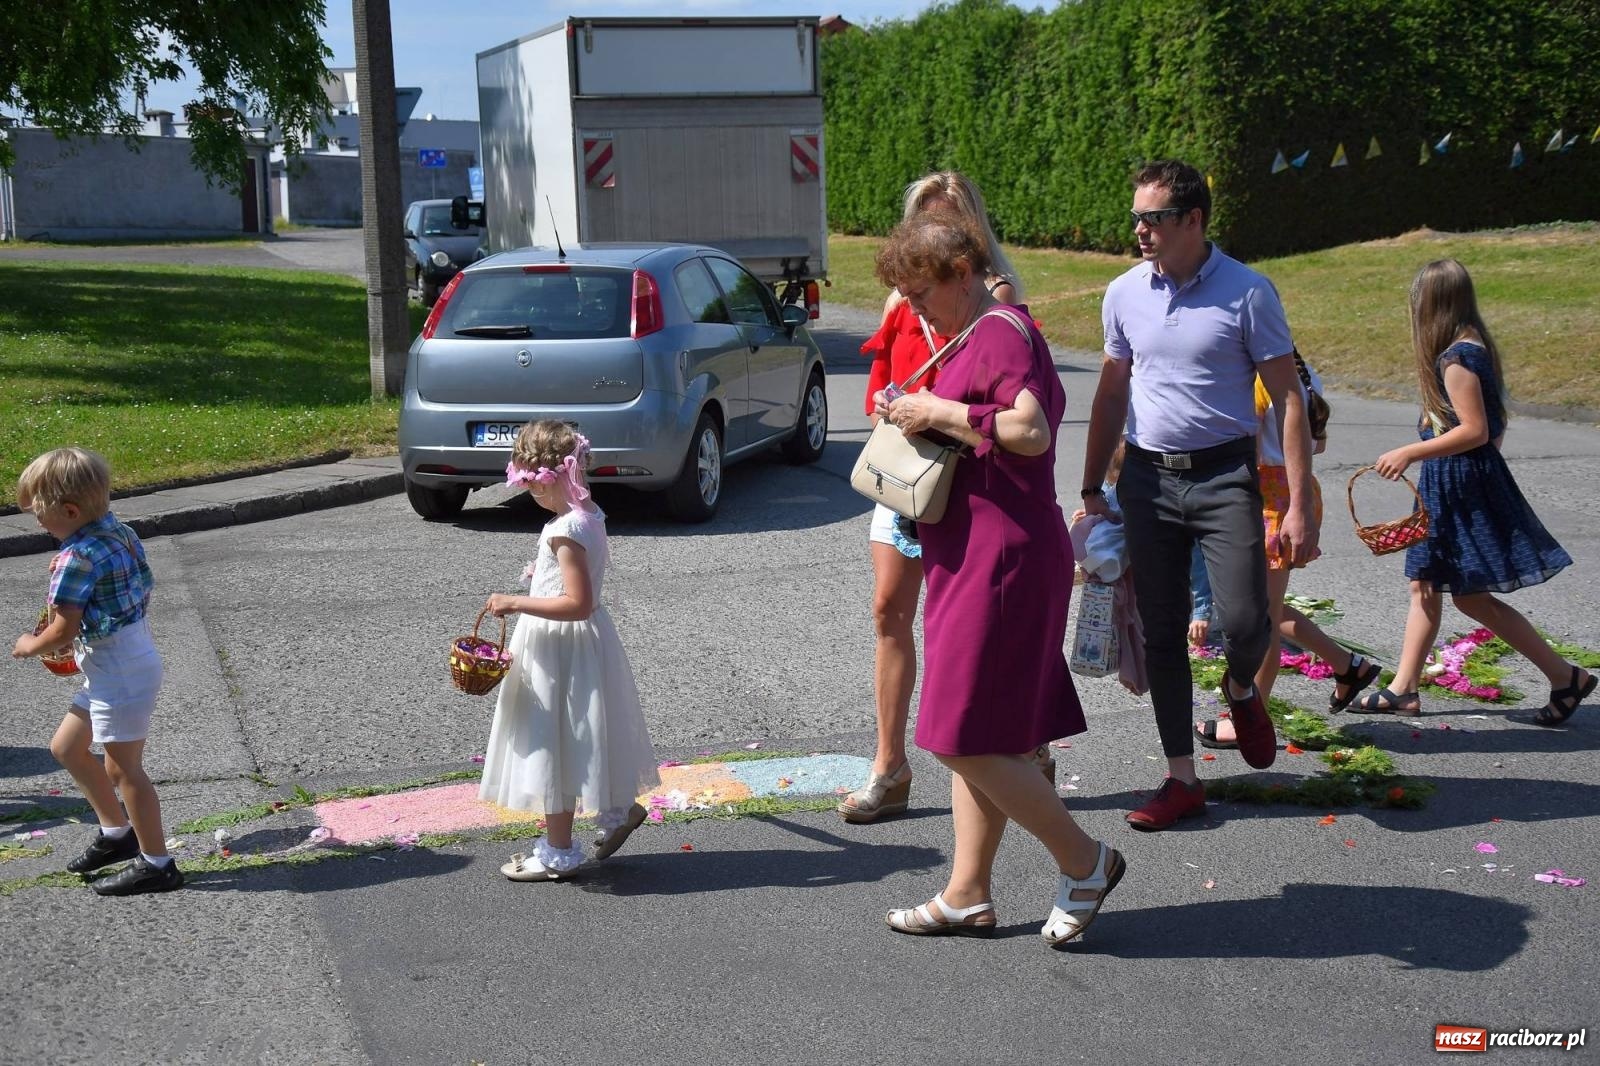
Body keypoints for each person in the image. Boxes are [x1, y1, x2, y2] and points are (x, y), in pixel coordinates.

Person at [875, 212, 1124, 946]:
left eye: (923, 293)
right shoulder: (975, 330)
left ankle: (1085, 861)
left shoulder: (998, 330)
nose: (915, 309)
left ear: (962, 273)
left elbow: (1029, 429)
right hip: (977, 551)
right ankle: (967, 894)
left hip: (1003, 558)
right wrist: (920, 412)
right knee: (985, 733)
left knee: (954, 735)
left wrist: (938, 409)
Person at [1081, 159, 1320, 832]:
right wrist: (1091, 485)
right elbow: (1110, 393)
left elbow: (1291, 399)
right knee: (1163, 632)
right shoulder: (1124, 293)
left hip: (1224, 476)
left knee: (1246, 621)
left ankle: (1241, 687)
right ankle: (1180, 776)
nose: (1139, 231)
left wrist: (1298, 504)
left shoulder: (1248, 292)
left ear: (1193, 220)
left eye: (1153, 218)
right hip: (1147, 479)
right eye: (1135, 217)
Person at [842, 170, 1037, 824]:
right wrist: (887, 400)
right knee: (887, 612)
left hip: (964, 478)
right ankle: (889, 766)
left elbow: (1016, 404)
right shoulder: (908, 297)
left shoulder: (999, 302)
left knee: (973, 632)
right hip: (904, 471)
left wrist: (940, 410)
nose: (933, 233)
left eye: (948, 222)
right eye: (922, 221)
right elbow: (883, 371)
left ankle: (1017, 754)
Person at [1352, 259, 1593, 723]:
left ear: (1431, 303)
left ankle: (1562, 676)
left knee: (1452, 589)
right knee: (1438, 586)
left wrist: (1411, 452)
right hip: (1462, 481)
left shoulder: (1456, 358)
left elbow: (1477, 430)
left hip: (1460, 484)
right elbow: (1494, 430)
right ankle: (1408, 687)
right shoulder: (1475, 346)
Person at [480, 421, 660, 880]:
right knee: (579, 735)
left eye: (535, 486)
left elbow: (577, 602)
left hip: (560, 646)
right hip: (579, 645)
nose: (531, 495)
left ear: (558, 476)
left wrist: (514, 600)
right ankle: (623, 809)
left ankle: (558, 851)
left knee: (552, 742)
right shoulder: (590, 514)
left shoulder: (565, 529)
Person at [11, 447, 181, 895]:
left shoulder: (75, 559)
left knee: (125, 771)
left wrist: (30, 646)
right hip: (124, 660)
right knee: (67, 747)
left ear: (69, 510)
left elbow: (60, 630)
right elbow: (132, 583)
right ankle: (116, 833)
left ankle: (157, 863)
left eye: (40, 516)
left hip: (119, 672)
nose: (38, 525)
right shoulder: (119, 532)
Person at [1196, 364, 1382, 750]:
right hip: (1288, 489)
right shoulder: (1302, 371)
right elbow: (1318, 441)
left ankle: (1248, 715)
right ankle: (1349, 666)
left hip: (1266, 493)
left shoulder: (1258, 379)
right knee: (1268, 609)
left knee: (1261, 620)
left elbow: (1235, 440)